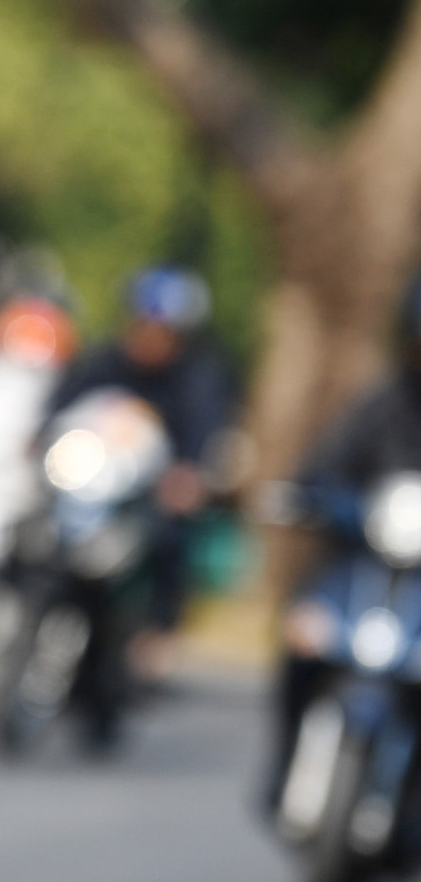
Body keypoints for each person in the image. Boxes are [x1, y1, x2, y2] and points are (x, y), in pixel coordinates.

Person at [267, 272, 421, 809]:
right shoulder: (379, 405)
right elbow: (322, 470)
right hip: (360, 572)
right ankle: (286, 767)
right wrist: (310, 496)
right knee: (304, 640)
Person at [44, 264, 235, 680]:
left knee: (171, 539)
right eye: (143, 324)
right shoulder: (105, 359)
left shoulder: (197, 377)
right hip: (91, 483)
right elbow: (60, 403)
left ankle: (156, 630)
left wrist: (189, 476)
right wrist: (36, 437)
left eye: (162, 330)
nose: (149, 337)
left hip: (145, 492)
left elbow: (203, 434)